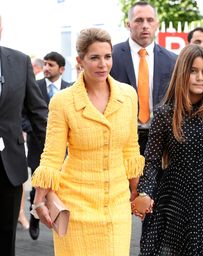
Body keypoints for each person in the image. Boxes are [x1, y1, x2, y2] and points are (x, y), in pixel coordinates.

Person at [31, 28, 144, 255]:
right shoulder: (63, 101)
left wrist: (136, 192)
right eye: (94, 57)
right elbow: (52, 156)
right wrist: (39, 201)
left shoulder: (129, 95)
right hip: (75, 206)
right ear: (80, 60)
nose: (103, 64)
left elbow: (131, 149)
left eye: (107, 56)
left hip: (116, 205)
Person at [132, 44, 203, 255]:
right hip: (176, 201)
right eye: (193, 71)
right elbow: (152, 160)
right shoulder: (165, 113)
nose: (200, 77)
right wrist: (145, 191)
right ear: (182, 73)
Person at [0, 14, 48, 256]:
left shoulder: (19, 61)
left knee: (6, 239)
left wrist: (52, 160)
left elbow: (38, 112)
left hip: (8, 167)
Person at [110, 1, 177, 156]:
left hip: (161, 140)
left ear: (157, 24)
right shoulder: (111, 57)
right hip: (121, 141)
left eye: (150, 20)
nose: (145, 25)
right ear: (128, 24)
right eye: (139, 20)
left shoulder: (172, 61)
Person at [23, 51, 72, 240]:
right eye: (44, 64)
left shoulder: (71, 88)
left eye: (51, 65)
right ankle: (35, 216)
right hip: (38, 146)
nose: (46, 68)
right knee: (39, 184)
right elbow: (23, 115)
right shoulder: (34, 86)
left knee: (62, 186)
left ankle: (59, 220)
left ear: (61, 69)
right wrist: (35, 131)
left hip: (65, 150)